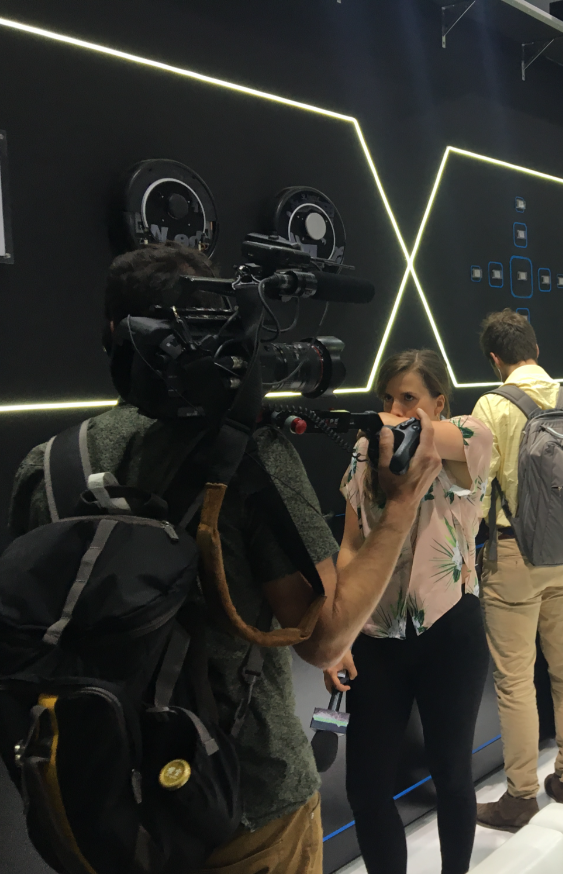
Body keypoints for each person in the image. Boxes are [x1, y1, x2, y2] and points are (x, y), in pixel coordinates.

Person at [6, 243, 443, 873]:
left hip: (104, 801)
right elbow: (324, 638)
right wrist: (401, 504)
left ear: (113, 335)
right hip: (248, 803)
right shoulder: (249, 453)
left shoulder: (46, 466)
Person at [324, 350, 492, 874]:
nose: (395, 408)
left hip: (450, 629)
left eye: (409, 397)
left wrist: (386, 424)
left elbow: (426, 437)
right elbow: (350, 545)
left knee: (452, 776)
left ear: (439, 403)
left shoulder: (467, 436)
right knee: (366, 787)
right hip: (375, 635)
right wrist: (339, 634)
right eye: (387, 397)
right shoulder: (364, 452)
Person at [471, 310, 563, 831]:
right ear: (536, 349)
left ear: (495, 359)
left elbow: (477, 487)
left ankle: (520, 796)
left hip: (514, 556)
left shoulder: (491, 405)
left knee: (516, 680)